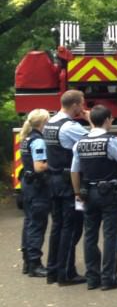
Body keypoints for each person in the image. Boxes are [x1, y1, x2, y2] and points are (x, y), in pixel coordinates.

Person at [70, 105, 117, 290]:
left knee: (90, 235)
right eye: (111, 119)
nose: (112, 121)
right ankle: (109, 278)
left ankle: (92, 278)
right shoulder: (110, 141)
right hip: (108, 194)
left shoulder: (80, 143)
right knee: (110, 235)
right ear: (107, 120)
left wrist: (77, 193)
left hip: (87, 193)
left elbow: (75, 171)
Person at [42, 89, 89, 286]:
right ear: (76, 105)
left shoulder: (50, 124)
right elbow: (95, 139)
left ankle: (53, 270)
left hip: (53, 181)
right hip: (68, 183)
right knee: (73, 226)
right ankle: (66, 273)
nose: (84, 107)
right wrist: (90, 119)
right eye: (83, 104)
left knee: (58, 226)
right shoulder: (69, 127)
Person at [18, 109, 51, 277]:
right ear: (43, 123)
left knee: (29, 222)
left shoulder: (26, 139)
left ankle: (27, 261)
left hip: (28, 185)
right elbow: (39, 167)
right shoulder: (39, 141)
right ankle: (35, 264)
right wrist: (53, 163)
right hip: (37, 187)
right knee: (37, 224)